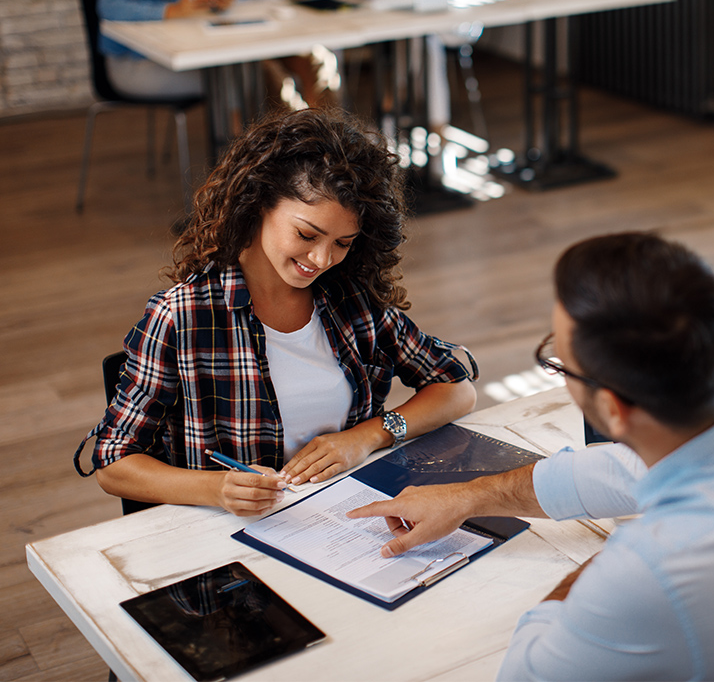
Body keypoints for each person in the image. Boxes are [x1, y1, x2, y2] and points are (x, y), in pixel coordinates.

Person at [348, 232, 714, 681]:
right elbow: (614, 471)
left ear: (615, 410)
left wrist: (606, 570)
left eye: (560, 362)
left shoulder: (654, 573)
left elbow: (528, 669)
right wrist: (468, 495)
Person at [74, 109, 478, 517]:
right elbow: (113, 462)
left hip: (349, 522)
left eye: (343, 242)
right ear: (258, 203)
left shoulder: (351, 300)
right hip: (232, 542)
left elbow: (456, 390)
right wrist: (217, 488)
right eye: (307, 234)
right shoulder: (181, 319)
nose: (322, 259)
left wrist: (368, 436)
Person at [194, 0, 341, 110]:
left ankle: (330, 131)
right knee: (270, 76)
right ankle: (299, 130)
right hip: (219, 39)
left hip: (262, 30)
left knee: (320, 62)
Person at [97, 0, 236, 100]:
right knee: (221, 80)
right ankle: (237, 125)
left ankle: (236, 124)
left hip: (170, 53)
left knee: (230, 73)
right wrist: (171, 11)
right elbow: (109, 6)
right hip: (131, 63)